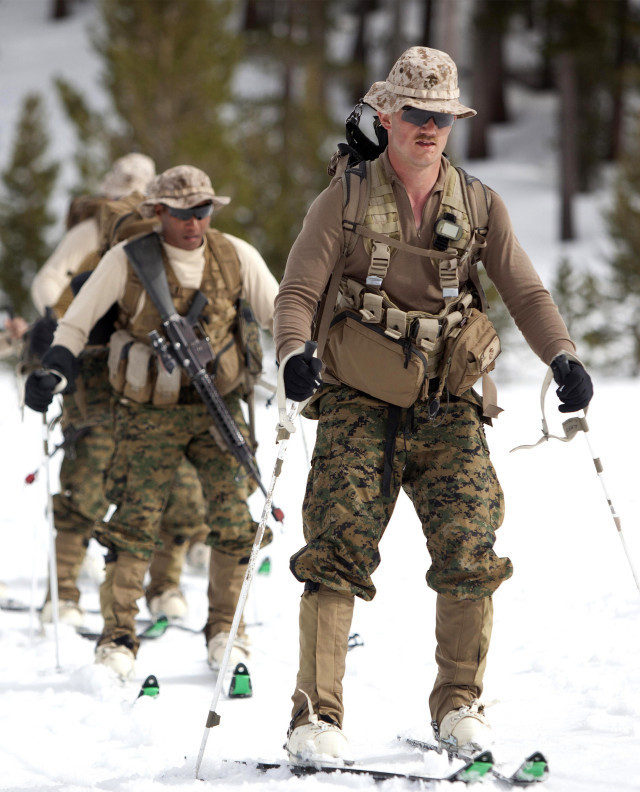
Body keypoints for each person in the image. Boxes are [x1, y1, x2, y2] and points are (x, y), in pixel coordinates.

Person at [273, 46, 593, 761]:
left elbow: (525, 291)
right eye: (416, 114)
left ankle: (459, 705)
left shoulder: (478, 203)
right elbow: (297, 292)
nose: (429, 128)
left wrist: (562, 355)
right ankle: (315, 717)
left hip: (448, 403)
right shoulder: (346, 201)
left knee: (471, 545)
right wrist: (295, 351)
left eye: (442, 117)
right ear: (386, 115)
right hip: (358, 400)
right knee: (336, 552)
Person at [25, 165, 279, 679]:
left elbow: (282, 314)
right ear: (158, 212)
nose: (194, 223)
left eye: (203, 211)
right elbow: (77, 321)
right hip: (145, 411)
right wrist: (55, 364)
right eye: (182, 213)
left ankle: (228, 631)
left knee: (232, 520)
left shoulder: (235, 256)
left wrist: (299, 355)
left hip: (217, 408)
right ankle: (118, 636)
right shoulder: (127, 260)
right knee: (134, 522)